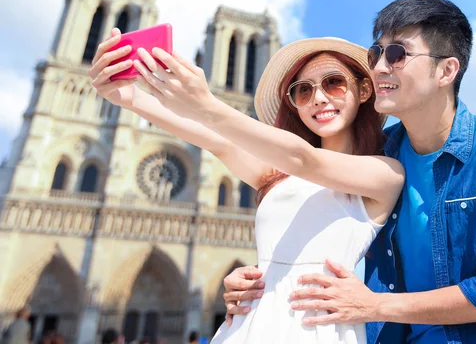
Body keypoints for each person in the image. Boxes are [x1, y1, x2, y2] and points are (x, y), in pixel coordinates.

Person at [221, 0, 476, 343]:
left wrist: (377, 306)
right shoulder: (373, 156)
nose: (377, 67)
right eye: (376, 53)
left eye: (397, 54)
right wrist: (260, 280)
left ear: (446, 70)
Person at [90, 35, 405, 343]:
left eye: (333, 83)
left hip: (314, 329)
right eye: (303, 91)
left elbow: (304, 158)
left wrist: (207, 105)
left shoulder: (384, 173)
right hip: (249, 325)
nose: (319, 98)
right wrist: (129, 98)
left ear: (364, 90)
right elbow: (220, 143)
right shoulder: (280, 177)